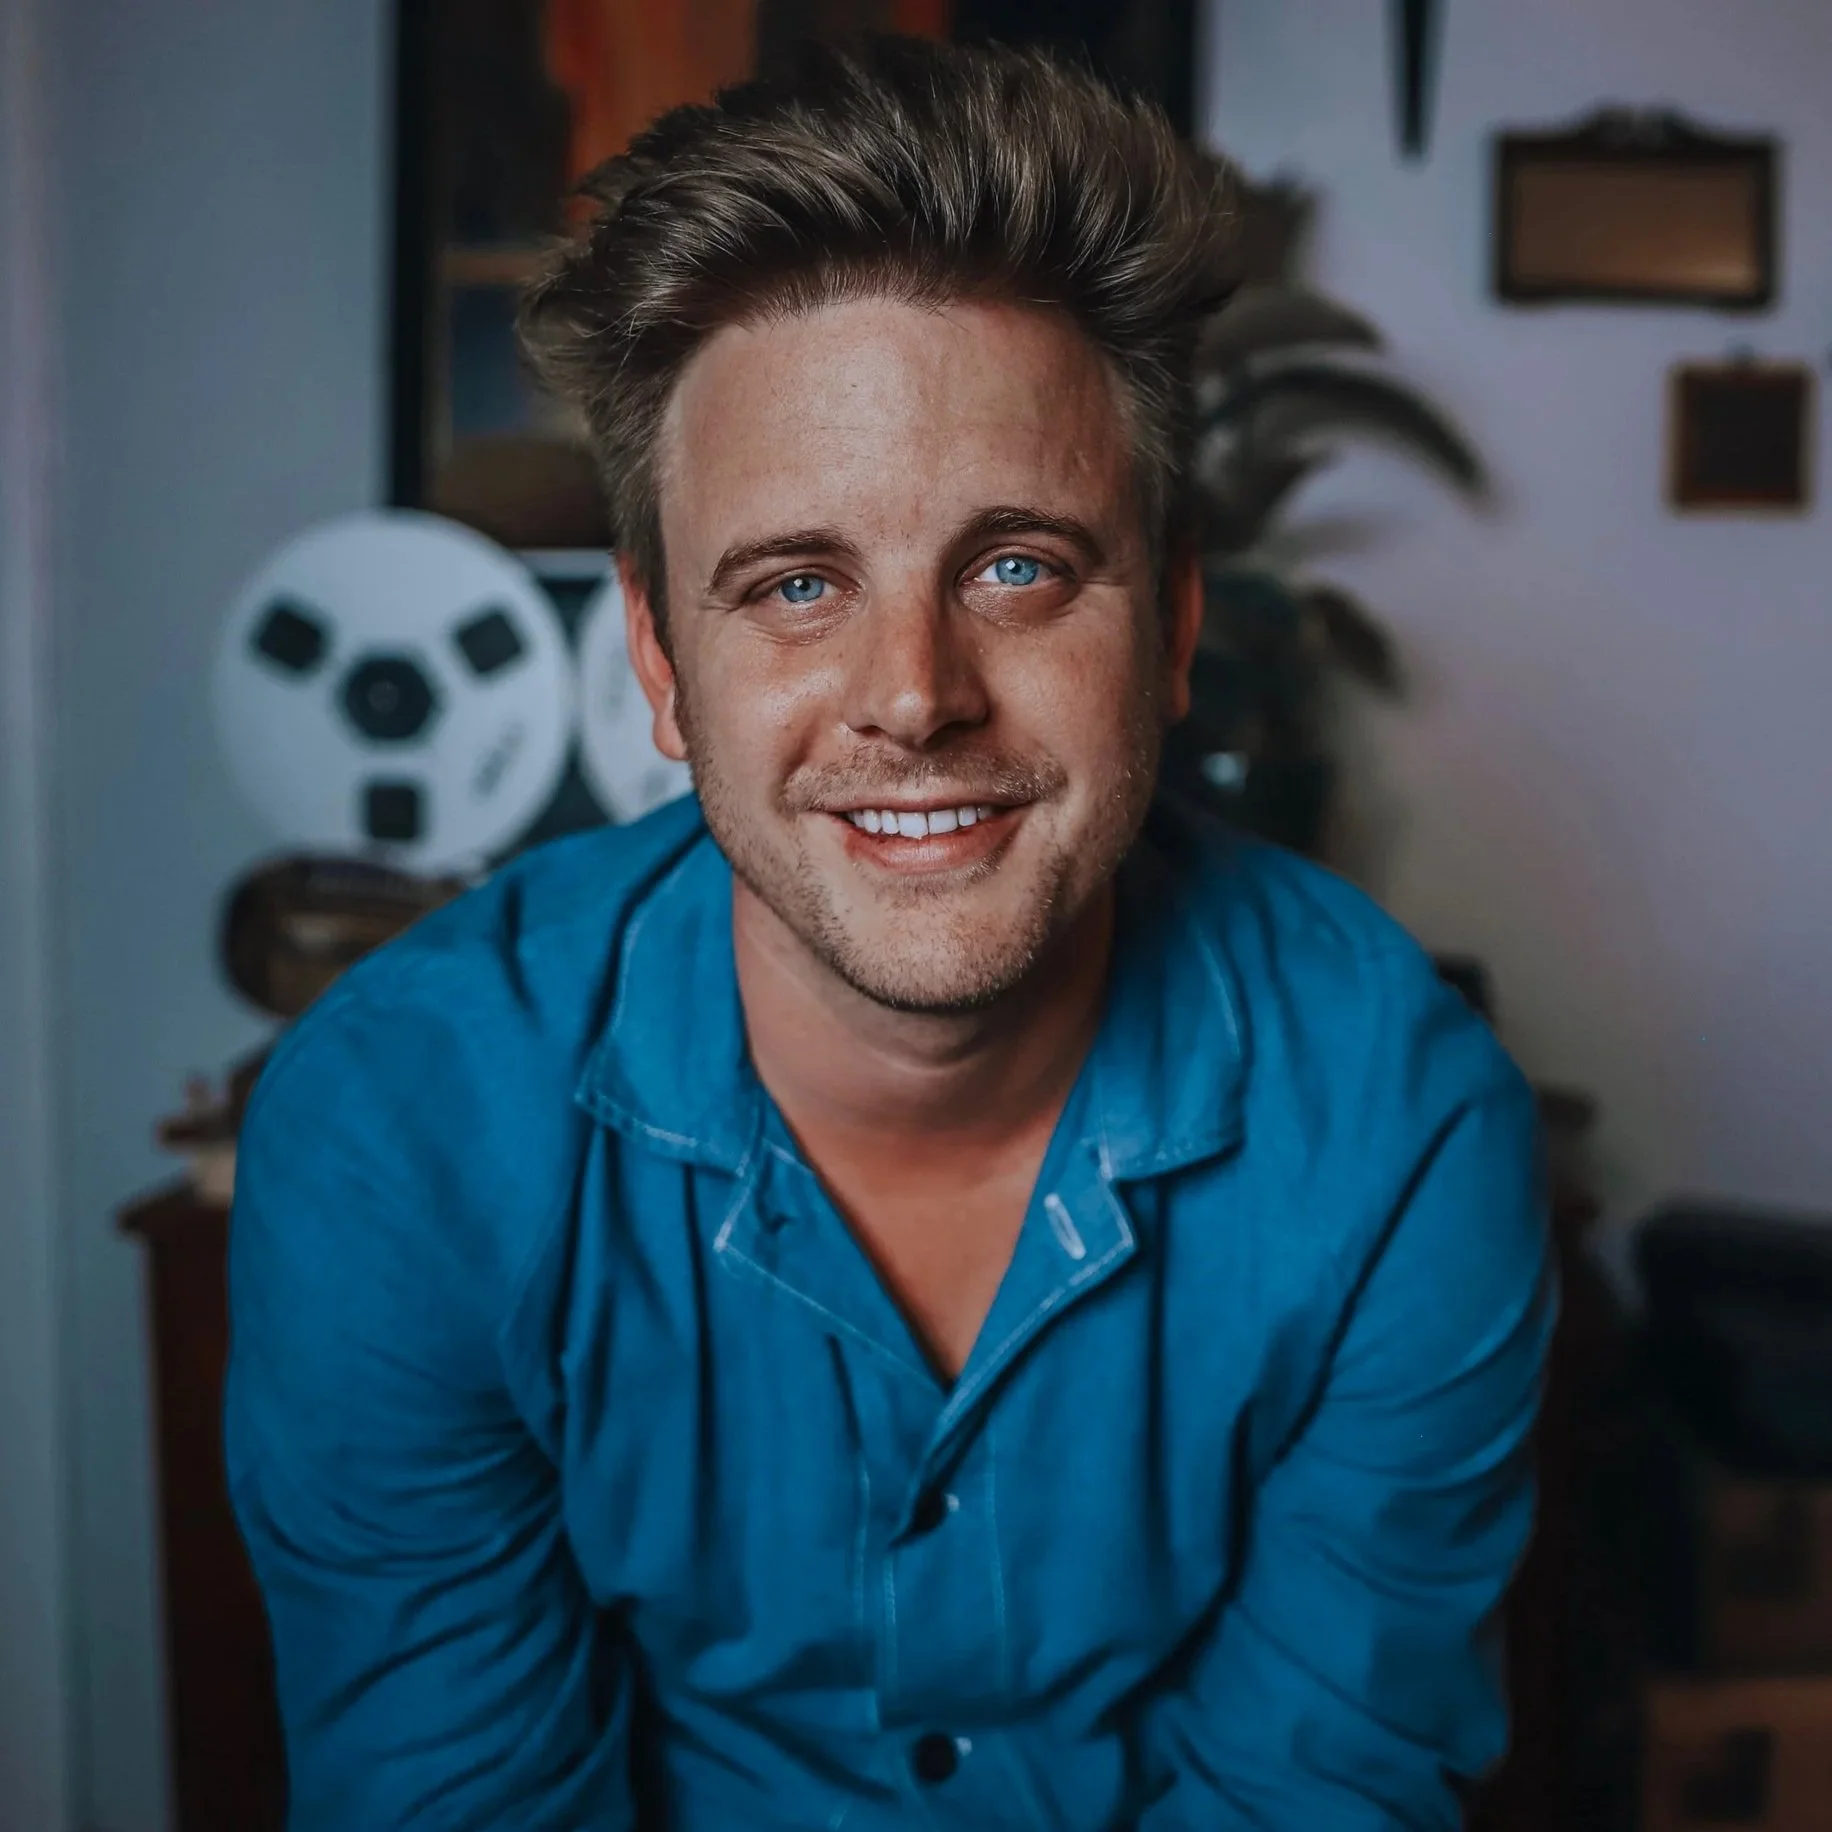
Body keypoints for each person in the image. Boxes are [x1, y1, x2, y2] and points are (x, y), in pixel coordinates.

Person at [226, 36, 1553, 1830]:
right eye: (794, 584)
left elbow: (1322, 1792)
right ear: (657, 663)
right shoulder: (398, 1138)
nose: (914, 698)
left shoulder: (1405, 1136)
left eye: (1017, 564)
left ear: (1168, 630)